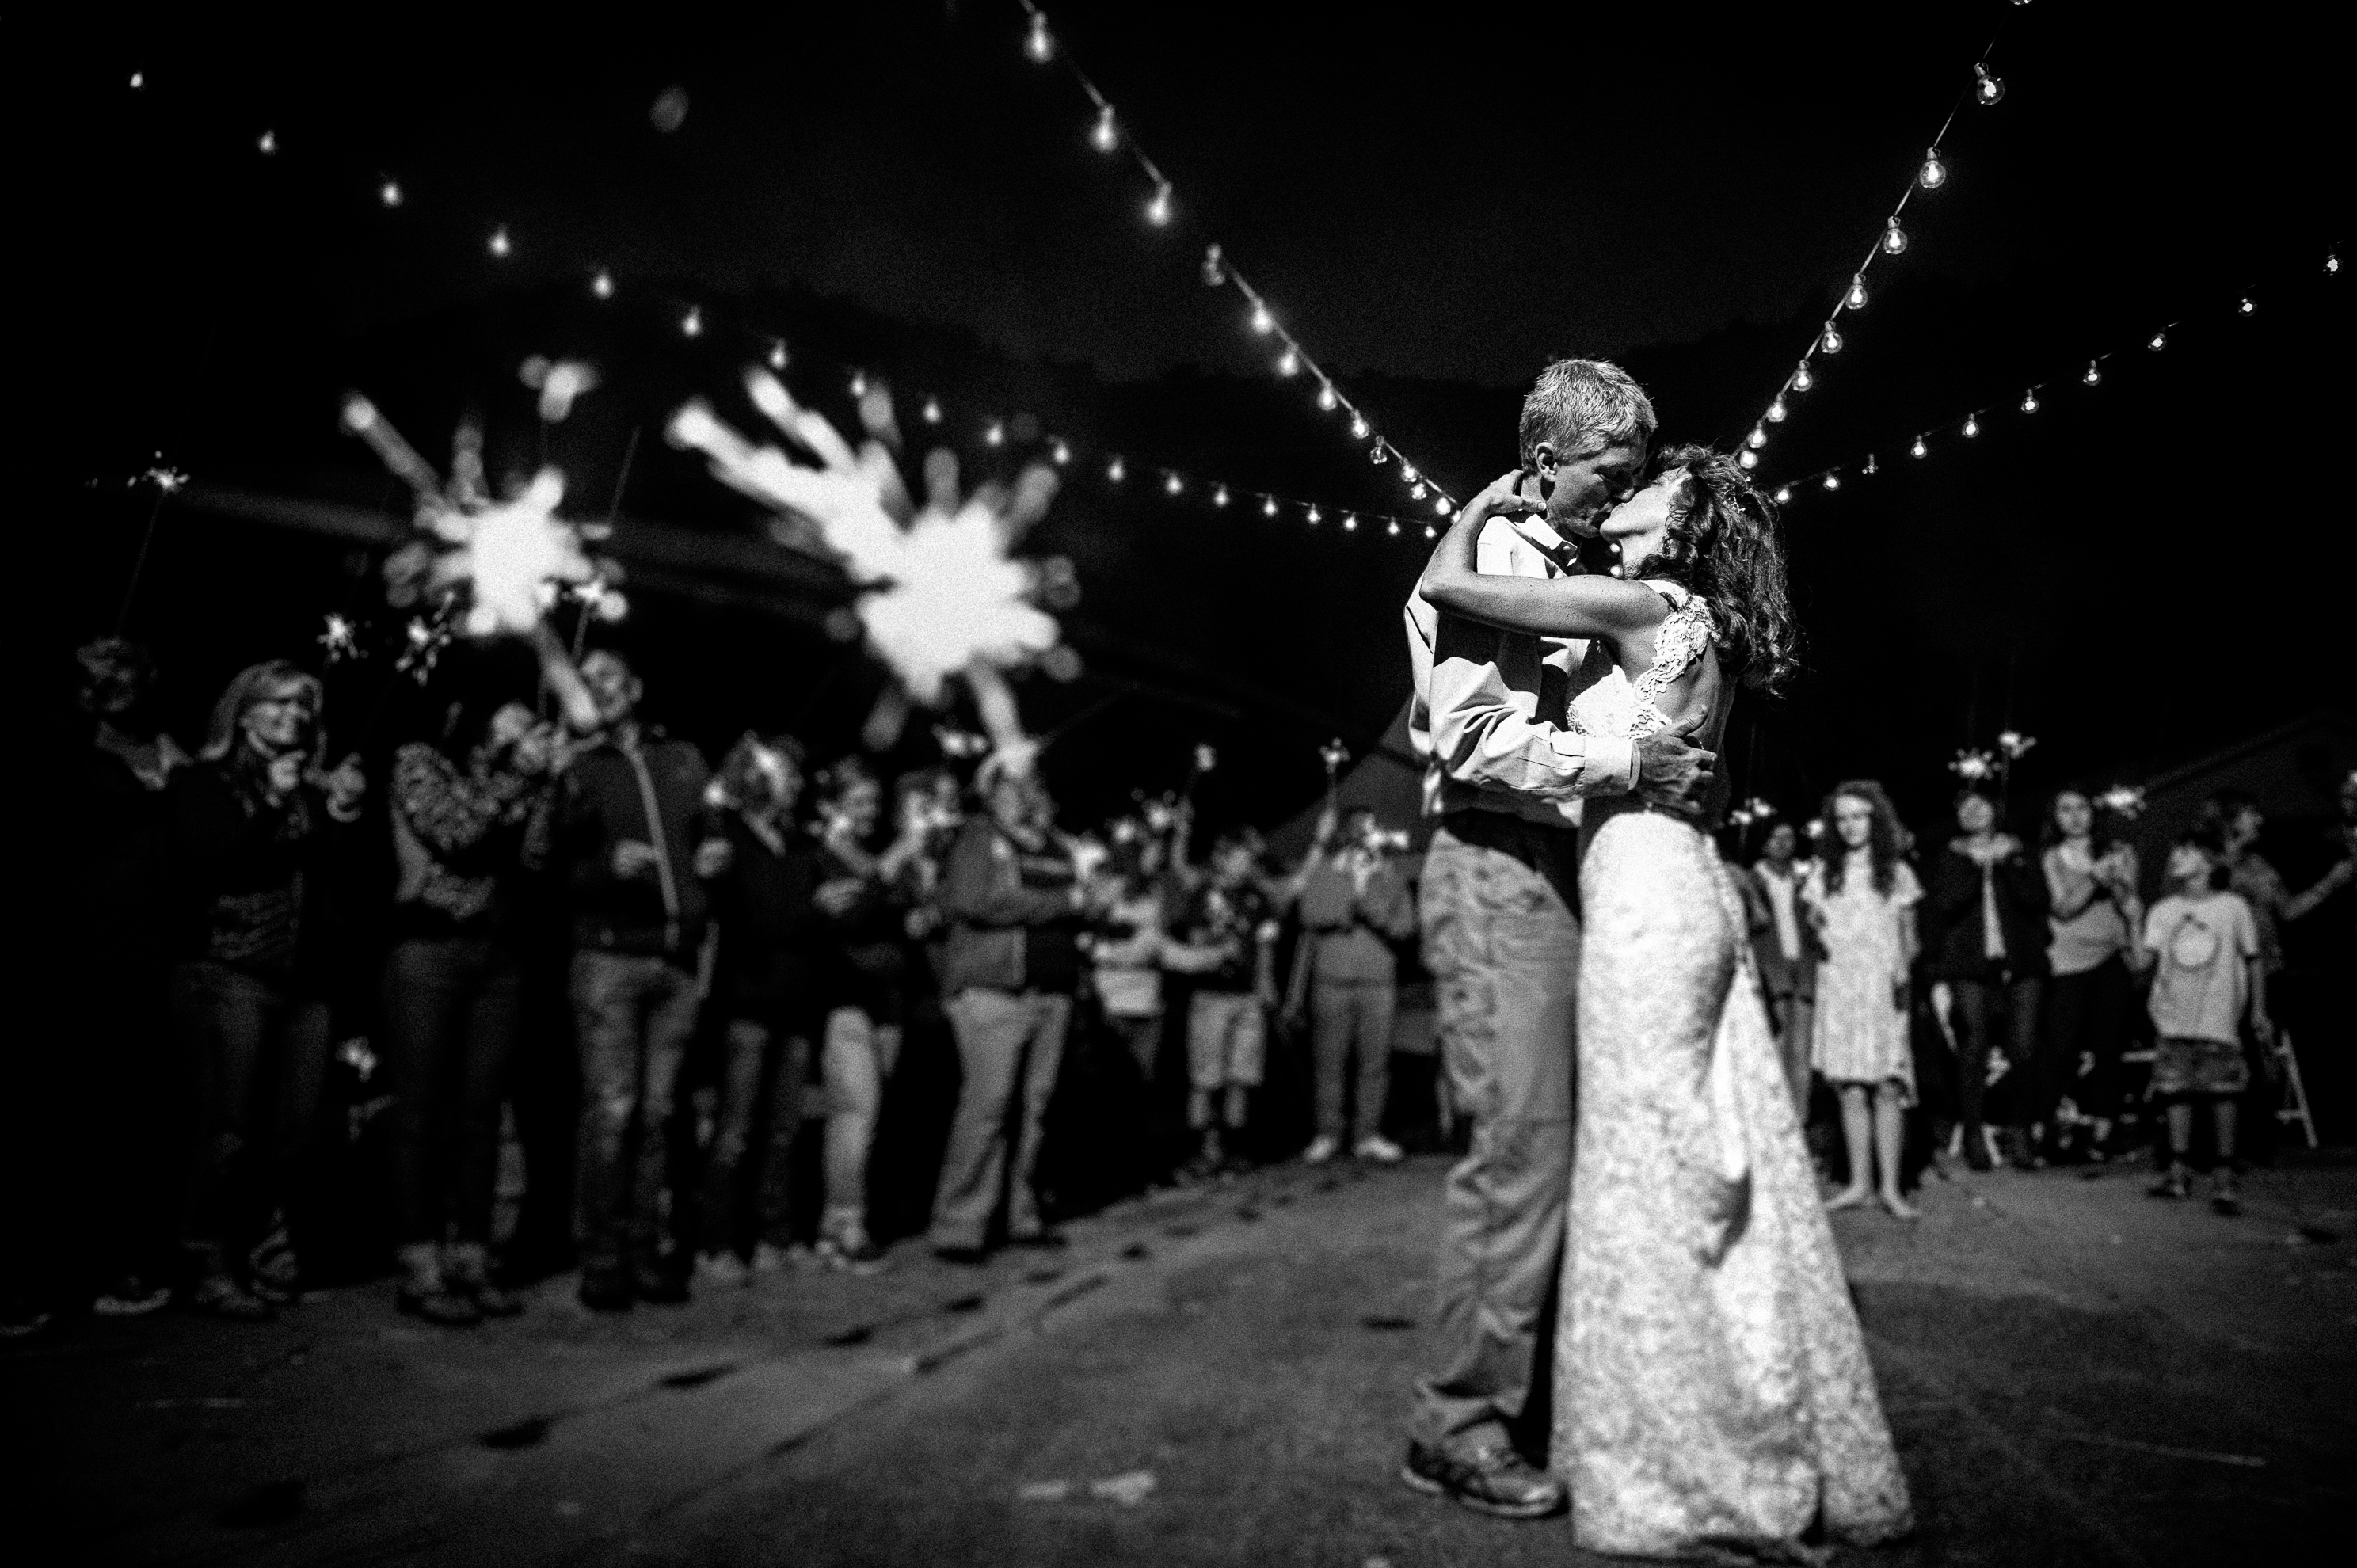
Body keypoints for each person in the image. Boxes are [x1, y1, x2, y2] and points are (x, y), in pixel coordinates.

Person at [1419, 444, 1912, 1555]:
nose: (1628, 493)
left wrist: (1484, 504)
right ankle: (1727, 1396)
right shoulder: (1712, 633)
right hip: (1685, 884)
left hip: (1640, 900)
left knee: (1647, 1164)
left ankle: (1678, 1439)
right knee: (1703, 1150)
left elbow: (1446, 586)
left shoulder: (1638, 601)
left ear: (1680, 520)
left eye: (1647, 485)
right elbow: (1719, 783)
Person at [1398, 358, 1717, 1520]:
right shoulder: (1488, 559)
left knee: (1567, 1153)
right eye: (1609, 475)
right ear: (1546, 461)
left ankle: (1525, 1394)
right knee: (1520, 1157)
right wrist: (1630, 762)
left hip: (1563, 871)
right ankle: (1457, 1427)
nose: (1620, 494)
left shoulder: (1579, 564)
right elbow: (1466, 740)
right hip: (1495, 863)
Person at [165, 661, 367, 1319]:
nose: (292, 716)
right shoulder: (202, 781)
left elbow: (338, 886)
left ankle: (271, 1254)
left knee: (298, 1131)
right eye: (277, 704)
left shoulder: (313, 786)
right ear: (243, 711)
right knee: (228, 1130)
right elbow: (217, 860)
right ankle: (209, 1261)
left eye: (303, 706)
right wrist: (277, 801)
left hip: (307, 982)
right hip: (232, 974)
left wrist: (341, 814)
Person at [380, 690, 562, 1325]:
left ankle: (471, 1256)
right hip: (429, 950)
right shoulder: (420, 762)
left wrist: (545, 788)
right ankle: (418, 1261)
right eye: (511, 712)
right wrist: (518, 778)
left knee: (481, 1113)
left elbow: (536, 856)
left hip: (499, 956)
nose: (522, 722)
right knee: (421, 1112)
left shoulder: (513, 775)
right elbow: (457, 834)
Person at [556, 649, 729, 1311]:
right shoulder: (576, 767)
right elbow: (555, 871)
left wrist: (716, 854)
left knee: (660, 1116)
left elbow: (711, 831)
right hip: (609, 959)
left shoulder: (683, 758)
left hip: (678, 960)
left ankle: (647, 1252)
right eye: (585, 680)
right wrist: (606, 866)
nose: (596, 688)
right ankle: (600, 1258)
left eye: (607, 676)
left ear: (635, 685)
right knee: (613, 1112)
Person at [67, 638, 190, 1318]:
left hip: (160, 954)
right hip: (92, 954)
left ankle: (129, 1262)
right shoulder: (75, 758)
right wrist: (169, 784)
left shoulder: (168, 749)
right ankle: (59, 1267)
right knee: (85, 1113)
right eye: (110, 683)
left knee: (145, 1119)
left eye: (137, 679)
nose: (127, 692)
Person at [926, 759, 1088, 1264]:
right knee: (988, 1106)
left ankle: (1021, 1214)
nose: (1020, 793)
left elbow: (1075, 902)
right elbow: (977, 900)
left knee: (1034, 1110)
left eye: (1028, 784)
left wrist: (1091, 904)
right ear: (991, 792)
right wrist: (1066, 902)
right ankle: (959, 1226)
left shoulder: (1056, 845)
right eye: (1008, 786)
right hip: (994, 992)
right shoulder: (977, 838)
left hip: (1051, 992)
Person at [697, 734, 825, 1286]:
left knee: (783, 1131)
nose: (797, 784)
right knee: (736, 1130)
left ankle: (775, 1236)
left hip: (795, 1004)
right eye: (787, 774)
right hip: (746, 1002)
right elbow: (757, 920)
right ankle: (717, 1242)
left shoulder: (798, 845)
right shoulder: (730, 840)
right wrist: (814, 912)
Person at [809, 757, 931, 1270]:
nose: (868, 812)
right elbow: (853, 919)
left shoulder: (868, 854)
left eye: (873, 803)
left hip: (890, 1002)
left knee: (868, 1117)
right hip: (847, 996)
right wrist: (894, 863)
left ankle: (834, 1222)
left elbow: (900, 912)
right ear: (834, 805)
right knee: (856, 1112)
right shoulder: (822, 855)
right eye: (856, 802)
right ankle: (847, 1224)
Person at [1803, 782, 1924, 1220]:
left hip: (1882, 988)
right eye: (1843, 818)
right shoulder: (1823, 874)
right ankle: (1859, 1184)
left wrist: (1903, 965)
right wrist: (1820, 929)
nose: (1852, 825)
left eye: (1860, 816)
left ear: (1877, 819)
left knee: (1888, 1086)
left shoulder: (1896, 871)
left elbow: (1911, 938)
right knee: (1851, 1089)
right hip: (1842, 989)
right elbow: (1816, 924)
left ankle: (1891, 1189)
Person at [2140, 828, 2270, 1214]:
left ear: (2210, 863)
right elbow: (2143, 961)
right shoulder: (2163, 910)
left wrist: (2258, 1010)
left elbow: (2253, 959)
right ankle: (2178, 1172)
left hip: (2219, 1015)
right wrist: (2130, 912)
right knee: (2177, 1090)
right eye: (2176, 851)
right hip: (2173, 1016)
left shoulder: (2232, 907)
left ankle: (2223, 1175)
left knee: (2223, 1092)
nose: (2176, 857)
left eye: (2186, 851)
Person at [1923, 788, 2051, 1170]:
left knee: (2023, 1049)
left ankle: (2019, 1131)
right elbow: (1946, 904)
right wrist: (1978, 867)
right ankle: (1975, 1133)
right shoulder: (1950, 855)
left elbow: (2035, 900)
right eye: (1965, 808)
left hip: (2021, 962)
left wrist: (2008, 863)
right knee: (1972, 1048)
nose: (1973, 813)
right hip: (1969, 966)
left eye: (1980, 806)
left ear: (1995, 810)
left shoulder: (2021, 851)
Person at [1290, 805, 1418, 1165]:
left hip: (1378, 983)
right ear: (1349, 835)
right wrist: (1352, 891)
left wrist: (1367, 898)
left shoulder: (1390, 876)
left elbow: (1405, 927)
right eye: (1363, 831)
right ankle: (1328, 1135)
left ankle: (1368, 1135)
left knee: (1374, 1063)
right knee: (1329, 1061)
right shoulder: (1327, 871)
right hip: (1333, 980)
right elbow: (1310, 915)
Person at [1163, 830, 1281, 1178]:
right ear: (1222, 860)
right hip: (1211, 996)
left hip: (1247, 999)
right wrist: (1220, 941)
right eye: (1240, 858)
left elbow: (1265, 945)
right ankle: (1203, 1150)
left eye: (1249, 859)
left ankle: (1235, 1149)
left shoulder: (1257, 897)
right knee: (1206, 1078)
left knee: (1241, 1077)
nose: (1247, 865)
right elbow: (1194, 939)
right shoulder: (1203, 895)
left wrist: (1268, 985)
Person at [2038, 788, 2143, 1161]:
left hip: (2110, 959)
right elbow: (2062, 908)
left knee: (2109, 1048)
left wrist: (2116, 878)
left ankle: (2102, 1132)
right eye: (2065, 809)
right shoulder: (2051, 857)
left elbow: (2130, 902)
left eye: (2081, 808)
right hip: (2066, 962)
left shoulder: (2119, 851)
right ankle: (2051, 1127)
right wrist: (2094, 878)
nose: (2075, 816)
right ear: (2055, 817)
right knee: (2060, 1047)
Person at [1748, 819, 1819, 1118]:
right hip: (1771, 969)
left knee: (1801, 1051)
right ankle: (1776, 1120)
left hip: (1802, 968)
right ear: (1764, 843)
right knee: (1777, 1047)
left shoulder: (1804, 879)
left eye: (1789, 838)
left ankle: (1800, 1121)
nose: (1783, 844)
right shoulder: (1754, 878)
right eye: (1775, 838)